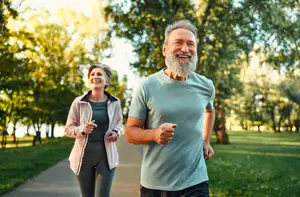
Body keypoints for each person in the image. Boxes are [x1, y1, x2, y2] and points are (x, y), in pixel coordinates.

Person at [125, 20, 215, 197]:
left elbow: (209, 110)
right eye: (178, 43)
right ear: (165, 50)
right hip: (156, 185)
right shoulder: (147, 86)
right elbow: (130, 133)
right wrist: (154, 134)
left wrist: (206, 140)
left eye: (191, 44)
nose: (185, 49)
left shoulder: (206, 86)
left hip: (196, 181)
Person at [64, 64, 123, 197]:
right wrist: (82, 129)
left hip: (106, 158)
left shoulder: (115, 102)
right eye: (92, 74)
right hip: (83, 159)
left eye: (99, 74)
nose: (95, 76)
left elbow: (119, 123)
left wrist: (116, 132)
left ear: (107, 80)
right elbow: (68, 129)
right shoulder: (78, 102)